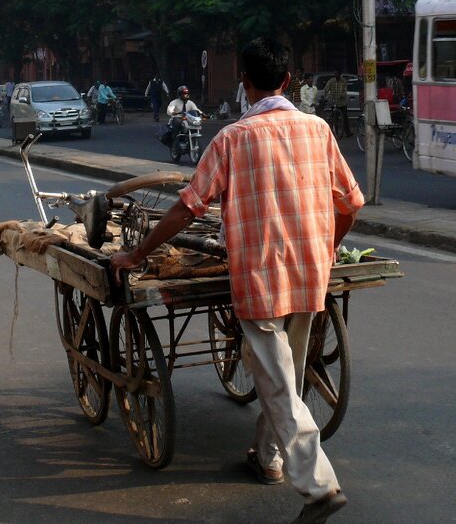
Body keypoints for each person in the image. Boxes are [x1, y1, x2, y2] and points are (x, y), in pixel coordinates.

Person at [112, 38, 362, 524]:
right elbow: (351, 204)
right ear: (288, 82)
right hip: (311, 274)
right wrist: (328, 247)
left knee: (279, 384)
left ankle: (319, 487)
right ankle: (268, 457)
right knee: (283, 373)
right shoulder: (318, 129)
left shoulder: (232, 139)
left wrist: (137, 253)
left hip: (260, 278)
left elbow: (189, 206)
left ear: (245, 84)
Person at [323, 71, 351, 137]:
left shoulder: (343, 81)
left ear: (340, 74)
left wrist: (342, 95)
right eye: (334, 74)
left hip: (342, 102)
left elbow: (345, 90)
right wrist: (324, 95)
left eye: (337, 74)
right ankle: (336, 132)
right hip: (334, 102)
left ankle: (348, 133)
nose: (335, 75)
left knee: (345, 118)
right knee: (335, 118)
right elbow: (326, 88)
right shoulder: (331, 81)